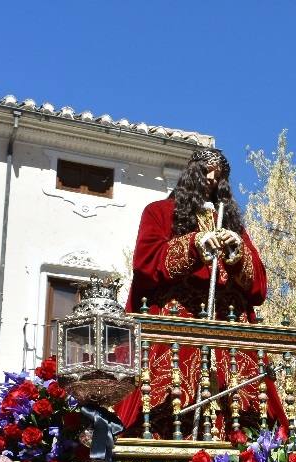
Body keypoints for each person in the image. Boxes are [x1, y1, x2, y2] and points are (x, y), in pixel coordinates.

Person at [113, 147, 283, 439]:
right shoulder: (159, 212)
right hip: (178, 330)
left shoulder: (234, 228)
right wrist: (194, 245)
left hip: (229, 335)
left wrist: (238, 253)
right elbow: (146, 262)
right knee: (171, 404)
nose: (212, 181)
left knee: (242, 412)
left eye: (220, 178)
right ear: (191, 174)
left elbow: (259, 287)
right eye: (206, 173)